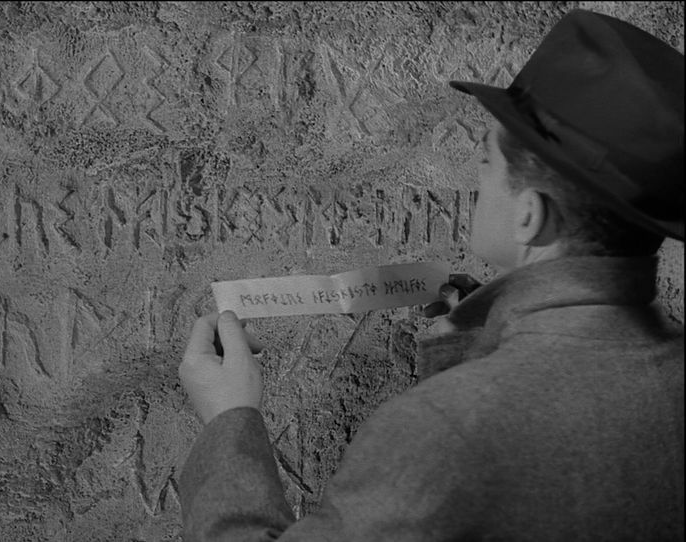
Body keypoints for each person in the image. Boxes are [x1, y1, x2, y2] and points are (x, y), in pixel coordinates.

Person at [177, 9, 684, 541]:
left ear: (529, 215)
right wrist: (477, 358)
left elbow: (478, 450)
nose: (477, 182)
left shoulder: (439, 431)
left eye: (486, 163)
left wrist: (228, 420)